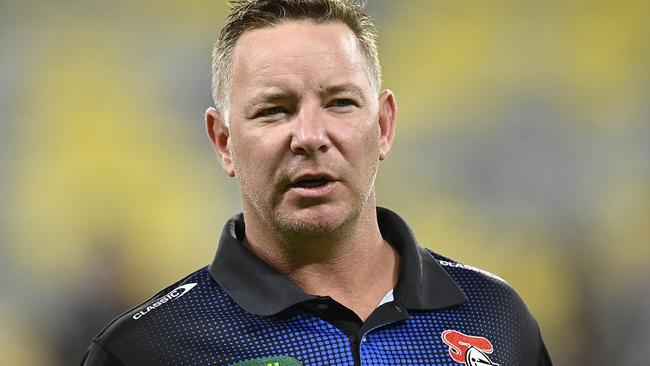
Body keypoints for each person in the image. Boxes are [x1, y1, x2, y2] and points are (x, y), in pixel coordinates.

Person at [81, 1, 552, 365]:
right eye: (274, 110)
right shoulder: (144, 350)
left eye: (341, 103)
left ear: (384, 126)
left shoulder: (498, 318)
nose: (309, 137)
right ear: (223, 141)